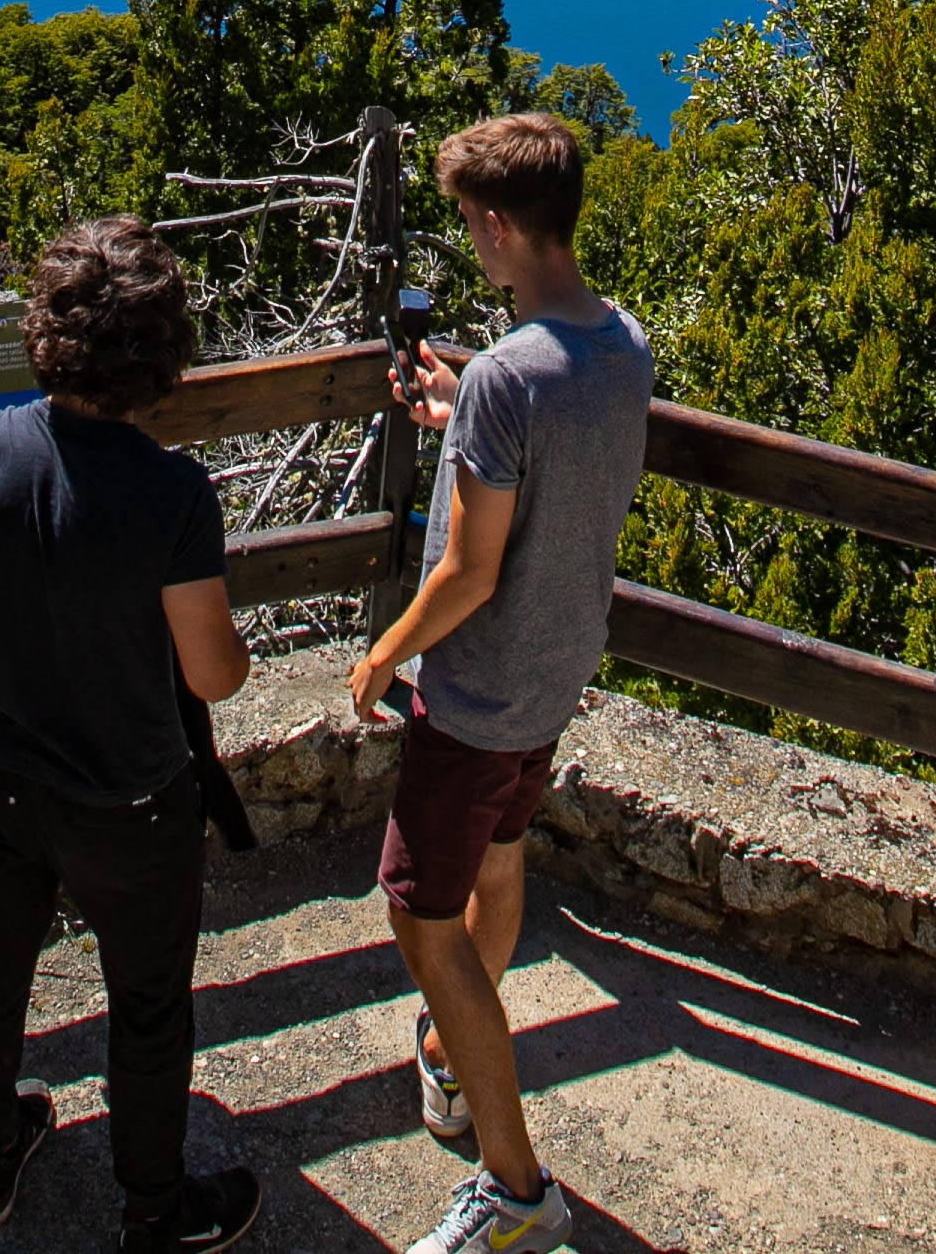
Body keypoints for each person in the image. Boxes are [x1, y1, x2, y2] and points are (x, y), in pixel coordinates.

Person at [0, 217, 263, 1253]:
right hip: (132, 795)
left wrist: (22, 621)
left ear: (46, 331)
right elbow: (212, 673)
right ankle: (154, 1210)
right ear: (161, 353)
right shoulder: (173, 493)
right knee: (147, 1004)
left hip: (11, 773)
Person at [345, 115, 655, 1254]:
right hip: (556, 672)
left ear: (496, 225)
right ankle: (448, 1059)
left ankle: (517, 1190)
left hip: (475, 696)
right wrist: (464, 400)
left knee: (421, 919)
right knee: (501, 861)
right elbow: (550, 438)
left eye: (471, 224)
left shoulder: (508, 382)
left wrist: (384, 653)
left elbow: (469, 574)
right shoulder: (621, 341)